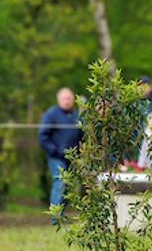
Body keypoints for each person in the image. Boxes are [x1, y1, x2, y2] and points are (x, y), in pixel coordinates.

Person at [38, 87, 83, 221]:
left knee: (67, 187)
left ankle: (61, 216)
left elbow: (81, 135)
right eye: (64, 98)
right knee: (60, 183)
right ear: (59, 100)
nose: (67, 101)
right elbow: (43, 136)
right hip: (56, 157)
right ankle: (56, 218)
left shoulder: (75, 116)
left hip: (71, 158)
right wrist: (54, 150)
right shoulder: (51, 114)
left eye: (69, 98)